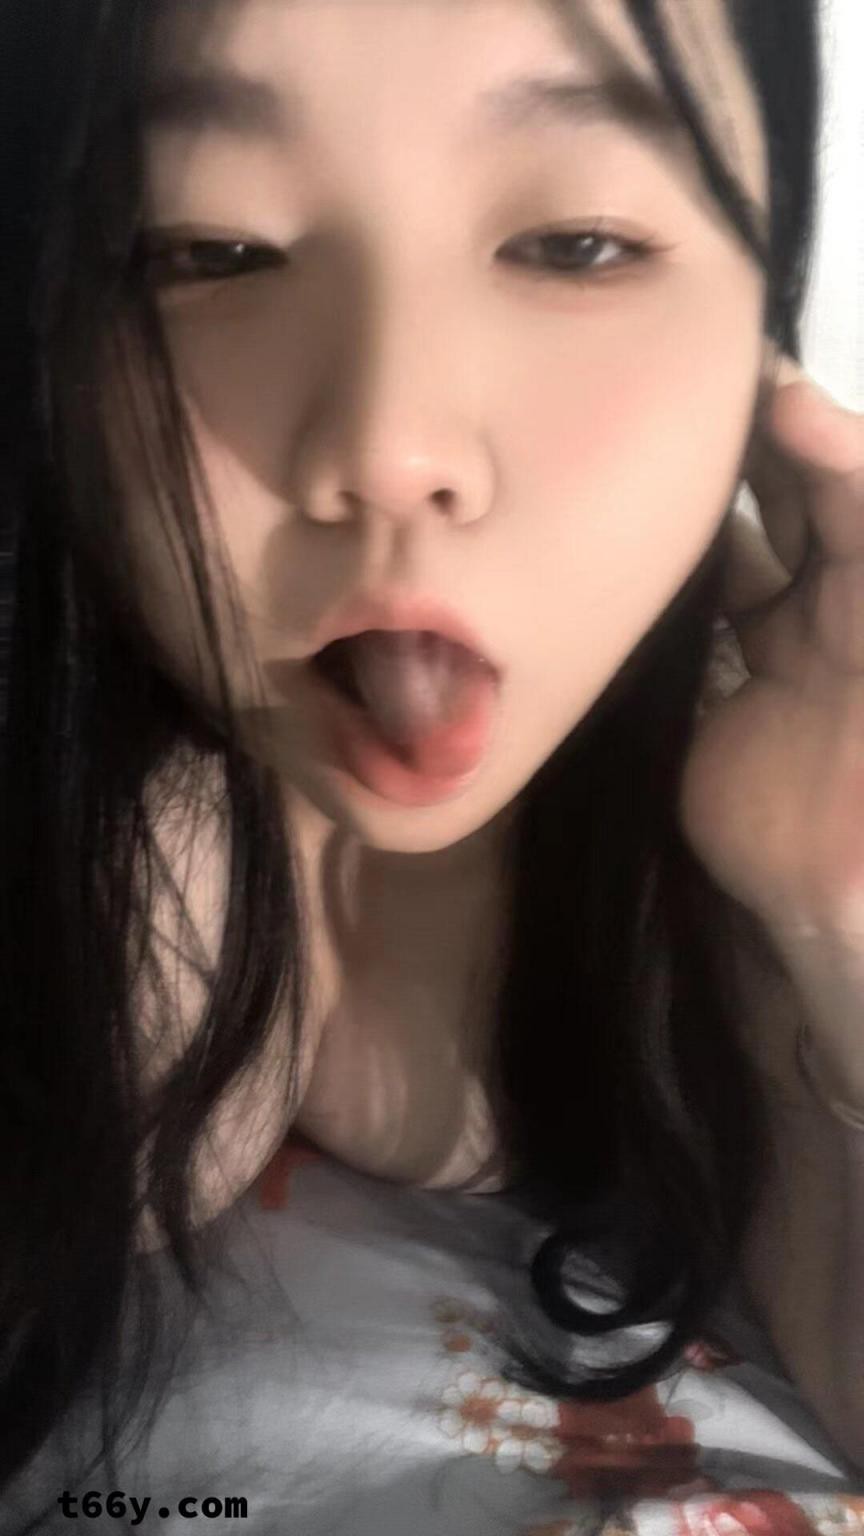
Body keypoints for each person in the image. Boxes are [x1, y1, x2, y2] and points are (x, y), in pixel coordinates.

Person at [1, 0, 862, 1521]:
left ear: (762, 344)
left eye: (577, 244)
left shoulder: (778, 741)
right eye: (207, 245)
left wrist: (839, 915)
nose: (393, 446)